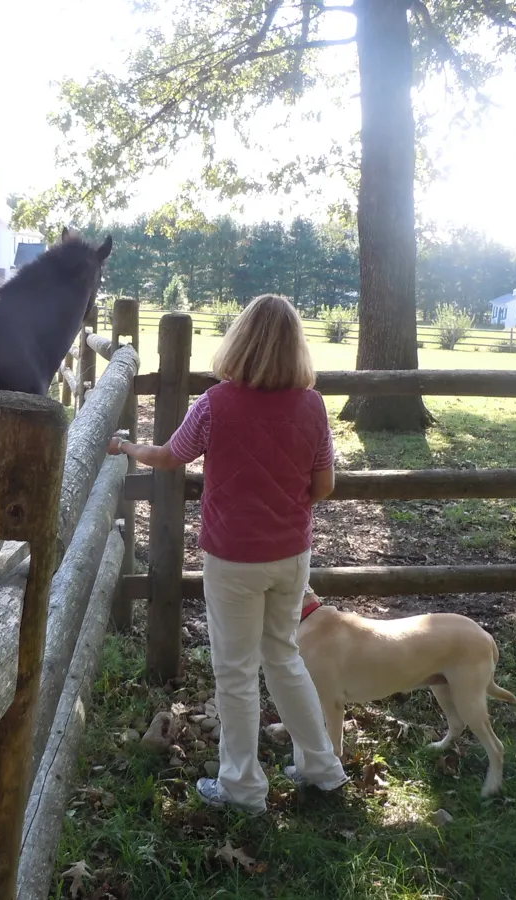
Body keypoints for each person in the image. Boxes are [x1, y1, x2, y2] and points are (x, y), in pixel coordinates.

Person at [108, 293, 347, 815]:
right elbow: (324, 486)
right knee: (284, 657)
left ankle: (242, 788)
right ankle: (322, 768)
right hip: (291, 555)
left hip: (234, 559)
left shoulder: (215, 404)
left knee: (236, 672)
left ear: (240, 340)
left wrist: (126, 448)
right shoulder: (312, 405)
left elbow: (169, 456)